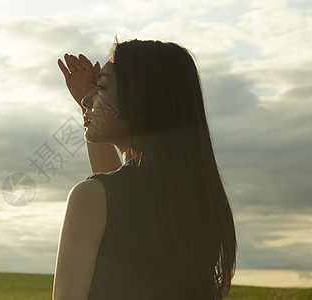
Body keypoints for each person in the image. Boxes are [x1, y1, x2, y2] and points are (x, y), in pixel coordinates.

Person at [52, 39, 237, 299]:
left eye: (102, 88)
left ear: (137, 103)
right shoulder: (200, 200)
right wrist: (92, 113)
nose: (85, 99)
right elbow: (118, 193)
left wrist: (91, 116)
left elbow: (112, 195)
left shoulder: (90, 197)